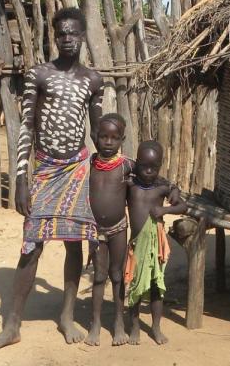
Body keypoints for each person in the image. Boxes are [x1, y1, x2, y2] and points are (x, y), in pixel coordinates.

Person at [0, 7, 104, 353]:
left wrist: (115, 170)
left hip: (77, 168)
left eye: (73, 33)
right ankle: (12, 325)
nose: (68, 39)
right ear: (55, 36)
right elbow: (27, 126)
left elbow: (98, 131)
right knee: (31, 245)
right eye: (62, 33)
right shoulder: (39, 75)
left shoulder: (93, 80)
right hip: (46, 170)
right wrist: (22, 177)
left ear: (82, 36)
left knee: (74, 242)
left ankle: (66, 315)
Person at [124, 141, 186, 345]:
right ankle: (134, 327)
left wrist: (165, 211)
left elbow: (182, 206)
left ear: (160, 165)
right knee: (134, 286)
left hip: (155, 246)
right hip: (135, 244)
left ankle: (156, 327)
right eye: (144, 166)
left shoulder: (162, 187)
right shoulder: (130, 185)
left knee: (155, 286)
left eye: (154, 167)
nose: (149, 171)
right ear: (136, 163)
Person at [85, 113, 134, 346]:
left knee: (117, 275)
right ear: (95, 137)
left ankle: (118, 322)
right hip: (95, 230)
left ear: (122, 139)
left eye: (114, 138)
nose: (108, 142)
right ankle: (94, 323)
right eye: (103, 136)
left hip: (118, 229)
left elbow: (150, 180)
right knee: (99, 276)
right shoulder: (89, 164)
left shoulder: (127, 166)